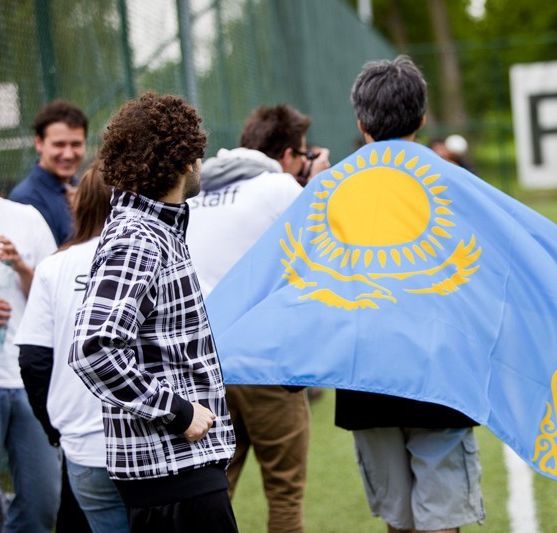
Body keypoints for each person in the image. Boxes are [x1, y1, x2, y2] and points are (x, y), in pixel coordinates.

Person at [68, 92, 237, 532]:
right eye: (198, 152)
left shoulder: (154, 229)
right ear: (185, 161)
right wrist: (179, 411)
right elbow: (92, 349)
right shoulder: (139, 237)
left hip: (180, 474)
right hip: (174, 476)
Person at [332, 56, 485, 533]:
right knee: (442, 522)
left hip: (365, 375)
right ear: (423, 119)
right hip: (441, 372)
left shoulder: (329, 194)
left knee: (398, 521)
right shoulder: (460, 186)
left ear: (360, 123)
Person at [186, 104, 330, 533]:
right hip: (267, 364)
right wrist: (317, 186)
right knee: (284, 495)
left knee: (214, 490)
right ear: (287, 156)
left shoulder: (197, 190)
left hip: (206, 366)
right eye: (303, 155)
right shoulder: (280, 189)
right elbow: (322, 261)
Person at [16, 162, 129, 533]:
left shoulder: (55, 267)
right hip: (150, 441)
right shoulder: (153, 254)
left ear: (80, 204)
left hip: (84, 447)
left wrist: (55, 427)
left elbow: (33, 359)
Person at [0, 131, 61, 532]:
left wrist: (20, 266)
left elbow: (50, 298)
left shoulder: (24, 219)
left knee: (42, 503)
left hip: (23, 379)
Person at [9, 100, 88, 246]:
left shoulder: (83, 188)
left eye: (76, 144)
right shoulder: (26, 199)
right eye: (59, 145)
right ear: (39, 143)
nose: (68, 154)